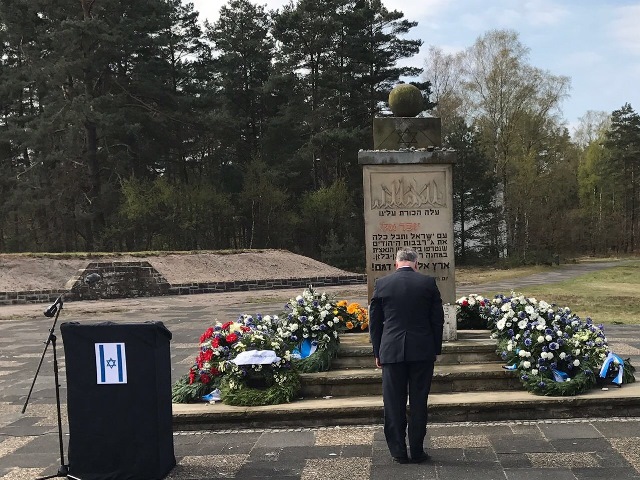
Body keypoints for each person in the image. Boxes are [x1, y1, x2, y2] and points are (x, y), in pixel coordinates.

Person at [369, 247, 444, 464]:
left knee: (393, 402)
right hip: (422, 351)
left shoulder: (382, 284)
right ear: (416, 264)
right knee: (419, 401)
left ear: (396, 263)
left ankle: (398, 451)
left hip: (391, 351)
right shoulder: (428, 283)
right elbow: (437, 320)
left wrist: (377, 351)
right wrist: (435, 349)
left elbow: (375, 323)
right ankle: (418, 451)